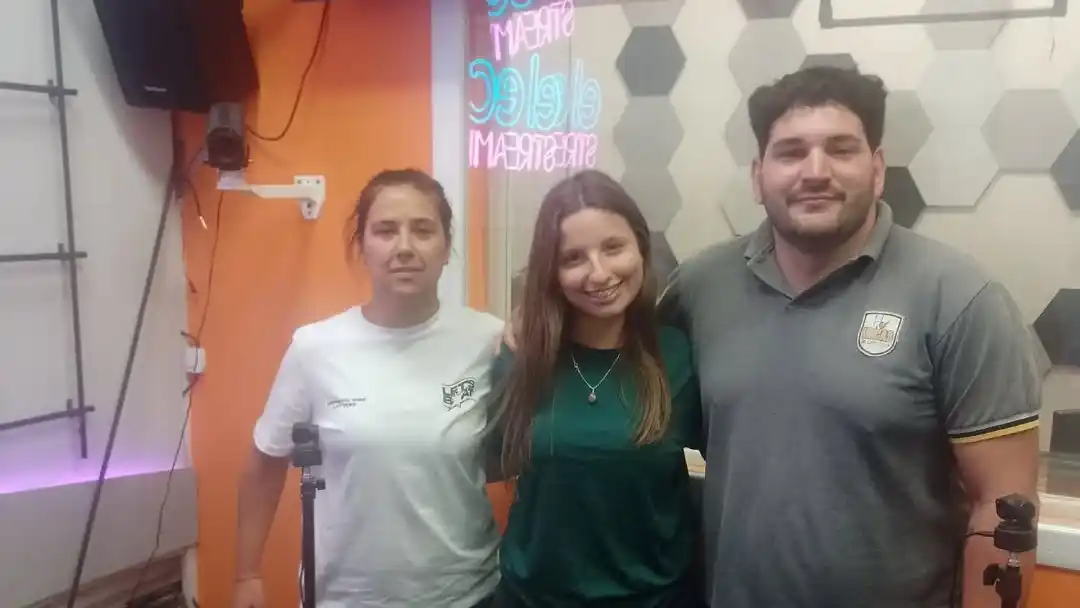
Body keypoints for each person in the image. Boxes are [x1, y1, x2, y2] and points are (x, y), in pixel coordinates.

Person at [655, 67, 1041, 607]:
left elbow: (1003, 507)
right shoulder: (700, 288)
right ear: (757, 174)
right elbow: (613, 387)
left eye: (841, 149)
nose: (816, 171)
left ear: (877, 169)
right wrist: (531, 337)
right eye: (790, 152)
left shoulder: (960, 298)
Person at [232, 169, 504, 608]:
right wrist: (247, 575)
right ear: (361, 246)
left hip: (467, 596)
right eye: (385, 231)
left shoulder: (488, 341)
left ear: (447, 246)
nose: (404, 248)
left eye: (422, 230)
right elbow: (264, 465)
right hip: (346, 598)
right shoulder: (315, 348)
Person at [486, 169, 706, 607]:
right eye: (573, 258)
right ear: (552, 271)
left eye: (613, 248)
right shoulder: (522, 355)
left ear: (641, 248)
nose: (599, 273)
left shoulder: (680, 354)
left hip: (657, 599)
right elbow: (491, 464)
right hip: (532, 599)